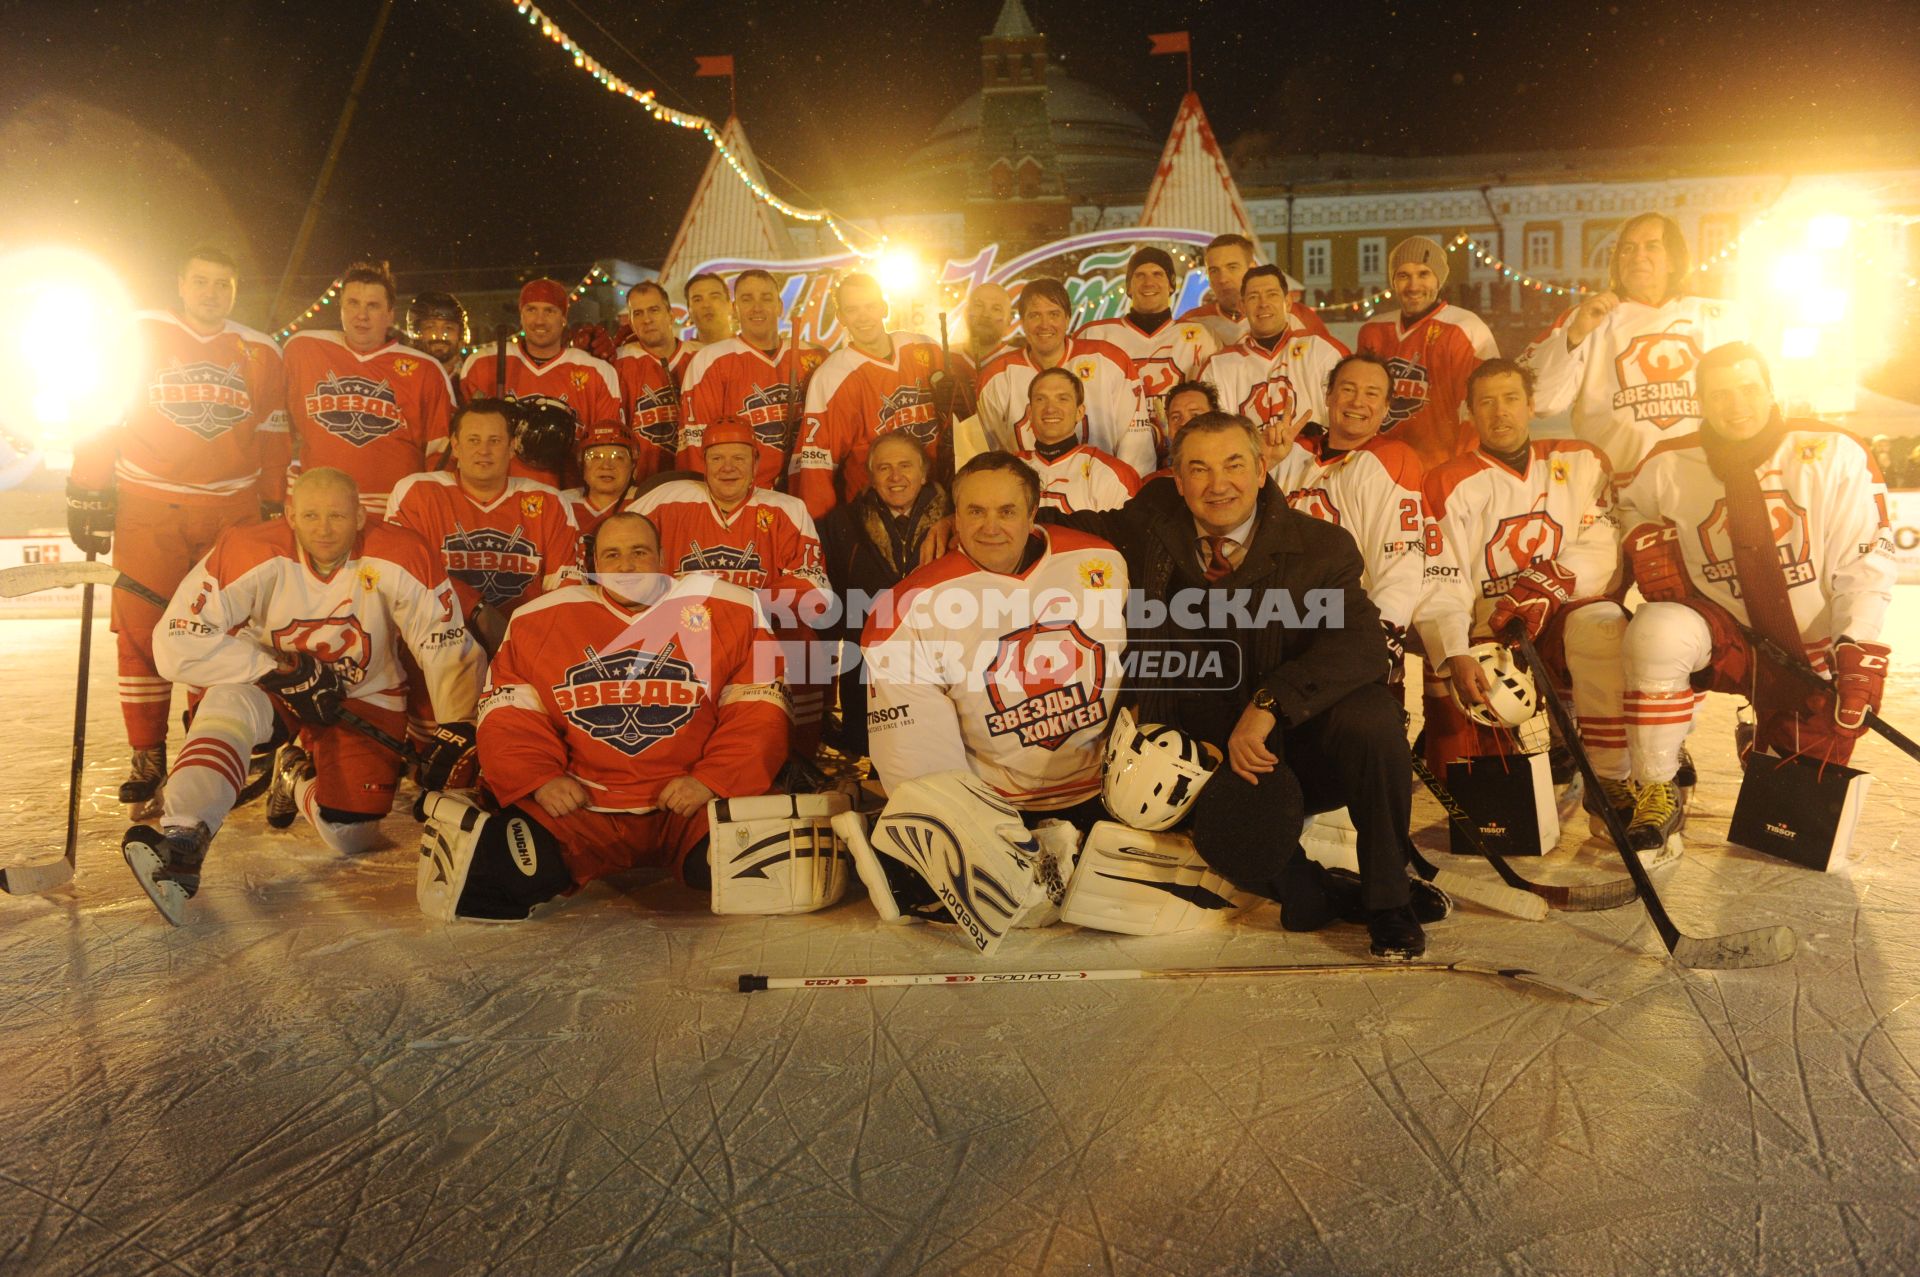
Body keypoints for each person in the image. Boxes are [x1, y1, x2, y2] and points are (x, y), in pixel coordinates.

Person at [1047, 412, 1436, 960]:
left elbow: (1362, 647)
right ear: (1177, 482)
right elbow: (1062, 526)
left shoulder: (1321, 547)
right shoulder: (1151, 523)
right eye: (1198, 470)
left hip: (1293, 738)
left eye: (1234, 464)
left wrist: (1271, 703)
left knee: (1372, 718)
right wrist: (971, 522)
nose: (1218, 484)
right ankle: (1321, 887)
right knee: (1303, 908)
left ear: (1261, 471)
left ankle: (1388, 901)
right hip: (1204, 748)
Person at [120, 467, 483, 924]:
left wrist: (457, 727)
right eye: (311, 515)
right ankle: (184, 840)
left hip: (365, 691)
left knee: (353, 834)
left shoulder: (402, 551)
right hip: (274, 688)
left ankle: (292, 775)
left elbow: (445, 645)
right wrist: (277, 669)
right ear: (290, 515)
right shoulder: (248, 549)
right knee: (226, 704)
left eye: (336, 515)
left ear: (359, 516)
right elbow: (174, 644)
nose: (324, 528)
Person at [420, 511, 791, 921]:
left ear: (664, 557)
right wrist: (540, 779)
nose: (626, 567)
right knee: (498, 882)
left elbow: (759, 712)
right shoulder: (538, 619)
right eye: (612, 555)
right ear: (593, 564)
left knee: (764, 879)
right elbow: (510, 714)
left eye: (639, 552)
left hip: (690, 807)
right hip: (584, 808)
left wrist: (713, 779)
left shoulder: (731, 609)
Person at [1613, 341, 1895, 848]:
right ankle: (1657, 782)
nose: (1736, 404)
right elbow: (1628, 507)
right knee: (1655, 631)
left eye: (1747, 389)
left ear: (1769, 390)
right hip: (1728, 636)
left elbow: (1865, 559)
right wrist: (1644, 540)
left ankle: (1764, 739)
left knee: (1799, 803)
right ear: (1700, 400)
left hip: (1809, 649)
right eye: (1720, 394)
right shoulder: (1669, 462)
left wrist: (1857, 643)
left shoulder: (1834, 451)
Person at [68, 244, 292, 819]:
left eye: (223, 284)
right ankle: (147, 755)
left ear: (235, 291)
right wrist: (88, 486)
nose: (211, 294)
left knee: (221, 633)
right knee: (140, 631)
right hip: (148, 505)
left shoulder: (261, 349)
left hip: (230, 513)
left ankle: (204, 749)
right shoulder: (140, 332)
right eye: (201, 281)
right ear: (181, 283)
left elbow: (270, 430)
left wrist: (272, 499)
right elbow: (100, 406)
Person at [862, 451, 1128, 825]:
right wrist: (969, 828)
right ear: (954, 515)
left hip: (1111, 794)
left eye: (1006, 511)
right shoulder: (908, 609)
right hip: (998, 810)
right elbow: (917, 759)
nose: (990, 527)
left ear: (1033, 512)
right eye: (975, 511)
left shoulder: (1101, 560)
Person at [1415, 359, 1629, 822]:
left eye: (1511, 399)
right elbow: (1441, 578)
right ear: (1469, 413)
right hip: (1491, 630)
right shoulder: (1446, 482)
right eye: (1486, 403)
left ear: (1531, 405)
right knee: (1490, 763)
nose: (1500, 413)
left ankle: (1611, 774)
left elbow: (1600, 544)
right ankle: (1539, 746)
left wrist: (1548, 585)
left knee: (1605, 630)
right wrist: (1456, 650)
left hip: (1563, 612)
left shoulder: (1579, 460)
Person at [635, 423, 831, 751]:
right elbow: (623, 552)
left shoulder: (787, 509)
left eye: (739, 458)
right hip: (682, 631)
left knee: (803, 642)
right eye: (717, 458)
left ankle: (796, 753)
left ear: (756, 464)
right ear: (703, 463)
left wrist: (738, 604)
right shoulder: (664, 501)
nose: (728, 468)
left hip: (758, 630)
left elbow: (814, 588)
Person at [1520, 211, 1750, 473]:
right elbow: (1541, 401)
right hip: (1619, 488)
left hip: (1705, 483)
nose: (1638, 256)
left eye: (1651, 246)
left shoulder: (1718, 317)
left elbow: (1750, 403)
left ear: (1674, 261)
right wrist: (1575, 335)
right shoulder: (1587, 318)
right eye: (1627, 249)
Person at [1268, 354, 1429, 676]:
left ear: (1386, 408)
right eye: (1348, 389)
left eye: (1371, 394)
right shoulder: (1290, 454)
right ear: (1328, 395)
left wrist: (1382, 636)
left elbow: (1400, 563)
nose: (1358, 401)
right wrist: (1263, 463)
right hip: (1274, 631)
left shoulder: (1389, 460)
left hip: (1343, 635)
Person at [385, 398, 581, 644]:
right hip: (437, 643)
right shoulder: (416, 493)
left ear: (512, 447)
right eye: (473, 440)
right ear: (455, 446)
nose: (484, 451)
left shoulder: (550, 503)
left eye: (495, 441)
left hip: (524, 644)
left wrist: (522, 644)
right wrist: (475, 608)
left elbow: (565, 593)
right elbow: (405, 581)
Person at [282, 260, 455, 515]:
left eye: (372, 306)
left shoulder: (425, 370)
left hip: (392, 510)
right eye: (353, 303)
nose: (361, 315)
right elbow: (274, 426)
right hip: (319, 509)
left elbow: (443, 456)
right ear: (340, 308)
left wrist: (424, 508)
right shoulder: (302, 349)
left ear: (390, 314)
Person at [817, 432, 949, 755]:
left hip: (939, 661)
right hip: (867, 667)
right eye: (884, 468)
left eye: (905, 465)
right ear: (871, 476)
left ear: (923, 473)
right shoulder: (840, 524)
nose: (896, 477)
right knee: (875, 758)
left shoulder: (955, 522)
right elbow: (826, 600)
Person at [790, 273, 942, 518]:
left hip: (939, 501)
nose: (863, 317)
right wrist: (822, 533)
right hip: (875, 513)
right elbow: (816, 466)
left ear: (884, 307)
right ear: (841, 317)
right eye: (852, 309)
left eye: (870, 306)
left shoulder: (925, 348)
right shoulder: (832, 376)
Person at [977, 277, 1154, 475]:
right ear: (1023, 322)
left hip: (1102, 498)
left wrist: (1131, 500)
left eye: (1054, 314)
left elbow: (1137, 446)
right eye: (1035, 315)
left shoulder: (1109, 362)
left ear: (1067, 319)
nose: (1045, 325)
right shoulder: (997, 376)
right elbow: (988, 455)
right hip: (1026, 497)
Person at [458, 278, 624, 487]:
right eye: (531, 310)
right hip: (499, 491)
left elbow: (609, 443)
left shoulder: (596, 371)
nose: (539, 320)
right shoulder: (482, 364)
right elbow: (463, 440)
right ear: (521, 314)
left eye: (550, 311)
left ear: (564, 317)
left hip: (567, 494)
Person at [675, 269, 828, 489]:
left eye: (766, 298)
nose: (757, 307)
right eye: (747, 299)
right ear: (735, 309)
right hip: (744, 495)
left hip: (805, 489)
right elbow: (696, 446)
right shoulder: (710, 361)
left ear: (779, 306)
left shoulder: (814, 357)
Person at [1356, 236, 1499, 470]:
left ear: (1439, 279)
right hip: (1381, 468)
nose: (1413, 286)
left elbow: (1481, 409)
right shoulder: (1373, 331)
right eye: (1403, 275)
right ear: (1393, 281)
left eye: (1423, 274)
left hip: (1442, 467)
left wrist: (1464, 470)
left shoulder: (1466, 329)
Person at [1202, 265, 1348, 466]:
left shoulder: (1322, 351)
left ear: (1287, 302)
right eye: (1254, 297)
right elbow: (1211, 439)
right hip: (1253, 481)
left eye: (1272, 295)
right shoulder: (1219, 366)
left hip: (1315, 478)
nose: (1263, 304)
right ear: (1242, 306)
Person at [1077, 246, 1219, 403]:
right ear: (1129, 287)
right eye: (1140, 276)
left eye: (1157, 274)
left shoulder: (1200, 336)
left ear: (1171, 285)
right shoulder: (1095, 335)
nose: (1149, 282)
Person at [1016, 368, 1141, 514]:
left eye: (1062, 399)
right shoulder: (1008, 470)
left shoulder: (1113, 475)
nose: (1050, 409)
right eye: (1040, 399)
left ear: (1079, 412)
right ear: (1030, 413)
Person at [614, 280, 701, 478]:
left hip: (697, 478)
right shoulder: (619, 361)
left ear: (670, 315)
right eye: (638, 313)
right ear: (631, 321)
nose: (647, 319)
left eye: (654, 310)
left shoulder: (701, 357)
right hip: (643, 482)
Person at [562, 423, 635, 538]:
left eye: (618, 457)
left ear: (632, 465)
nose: (606, 466)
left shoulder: (647, 502)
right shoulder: (561, 503)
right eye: (595, 457)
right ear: (582, 464)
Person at [405, 292, 469, 386]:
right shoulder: (402, 379)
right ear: (417, 332)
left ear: (460, 334)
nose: (439, 334)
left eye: (448, 328)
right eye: (430, 327)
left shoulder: (473, 378)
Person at [684, 271, 735, 346]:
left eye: (714, 297)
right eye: (697, 300)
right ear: (689, 311)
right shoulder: (684, 355)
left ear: (730, 305)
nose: (706, 305)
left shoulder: (750, 351)